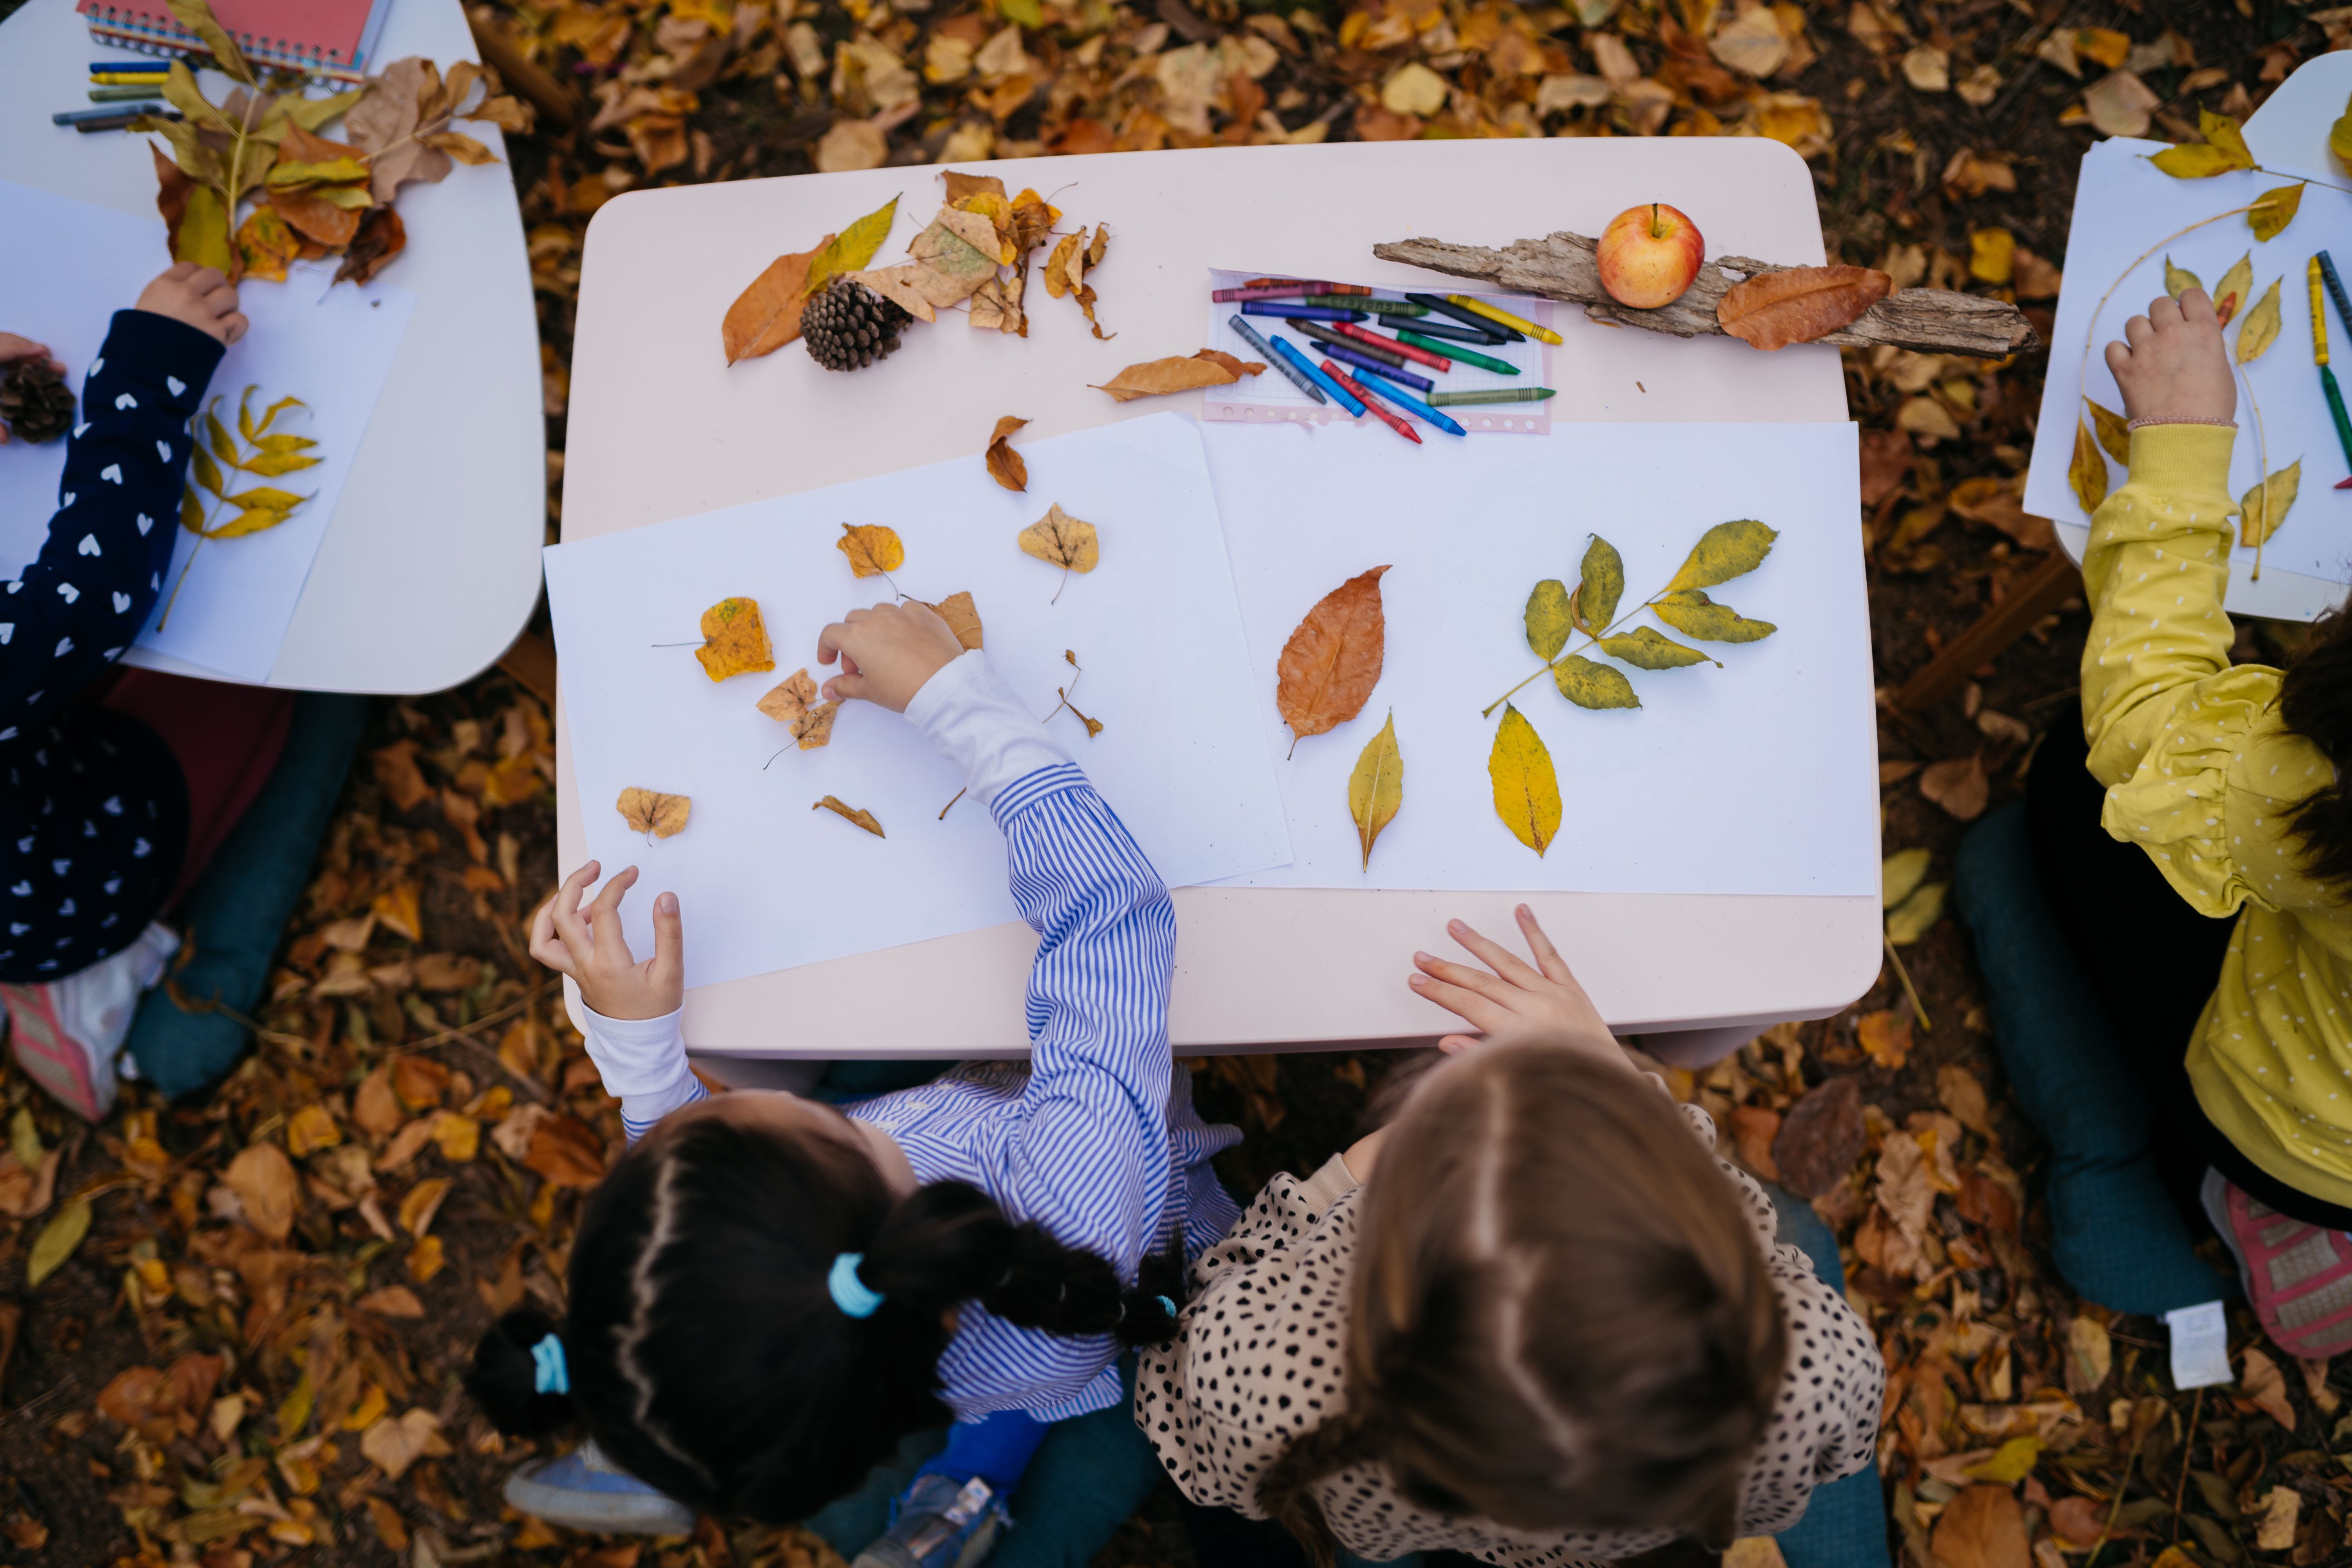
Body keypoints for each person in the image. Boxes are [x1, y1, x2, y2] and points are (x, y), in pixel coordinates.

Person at [468, 600, 1241, 1565]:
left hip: (1020, 1335)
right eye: (765, 1118)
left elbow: (696, 1183)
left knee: (1031, 1376)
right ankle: (970, 1490)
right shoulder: (1073, 1193)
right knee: (1057, 1360)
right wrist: (953, 698)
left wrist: (638, 1045)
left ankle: (953, 1495)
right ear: (834, 1155)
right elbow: (1110, 924)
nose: (728, 1100)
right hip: (1141, 1193)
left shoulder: (863, 1337)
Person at [1133, 907, 1886, 1568]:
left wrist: (1336, 1186)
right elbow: (1844, 1435)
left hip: (1380, 1506)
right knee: (1809, 1237)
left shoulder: (1278, 1387)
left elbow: (1175, 1394)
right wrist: (1619, 1084)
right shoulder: (1803, 1378)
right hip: (1621, 1541)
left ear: (1382, 1248)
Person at [1956, 284, 2352, 1357]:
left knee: (2070, 796)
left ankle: (2236, 1204)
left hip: (2288, 1124)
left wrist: (2179, 448)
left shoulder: (2318, 799)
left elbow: (2147, 723)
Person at [1, 263, 367, 1120]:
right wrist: (148, 376)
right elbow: (93, 597)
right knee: (282, 658)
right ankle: (105, 975)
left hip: (31, 760)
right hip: (82, 866)